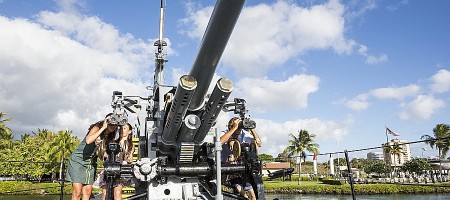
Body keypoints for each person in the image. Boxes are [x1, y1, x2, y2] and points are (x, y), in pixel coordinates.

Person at [66, 114, 118, 200]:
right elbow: (88, 140)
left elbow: (102, 155)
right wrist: (103, 128)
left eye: (115, 124)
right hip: (78, 160)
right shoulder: (97, 128)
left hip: (90, 163)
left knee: (87, 191)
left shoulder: (109, 136)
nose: (113, 126)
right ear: (106, 122)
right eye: (111, 123)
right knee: (77, 191)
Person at [220, 117, 262, 200]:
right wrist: (234, 129)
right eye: (237, 126)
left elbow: (259, 143)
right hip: (225, 169)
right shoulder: (225, 133)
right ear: (230, 126)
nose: (239, 128)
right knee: (239, 188)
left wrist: (251, 128)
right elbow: (220, 141)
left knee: (251, 190)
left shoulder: (244, 133)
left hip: (241, 169)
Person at [94, 122, 135, 200]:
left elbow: (129, 157)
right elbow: (105, 154)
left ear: (129, 131)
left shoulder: (130, 145)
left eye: (124, 128)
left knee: (117, 192)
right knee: (104, 193)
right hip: (110, 169)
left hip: (120, 170)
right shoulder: (113, 142)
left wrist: (129, 159)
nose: (122, 130)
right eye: (121, 129)